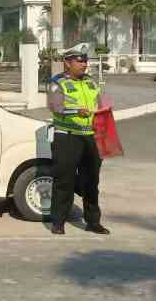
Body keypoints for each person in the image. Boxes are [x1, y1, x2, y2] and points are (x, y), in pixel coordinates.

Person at [46, 42, 109, 236]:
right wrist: (76, 111)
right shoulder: (57, 82)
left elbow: (100, 105)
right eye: (79, 61)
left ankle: (93, 222)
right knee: (63, 181)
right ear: (67, 62)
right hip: (67, 137)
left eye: (85, 61)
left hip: (90, 137)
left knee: (91, 182)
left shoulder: (91, 82)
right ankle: (58, 222)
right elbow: (55, 107)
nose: (84, 64)